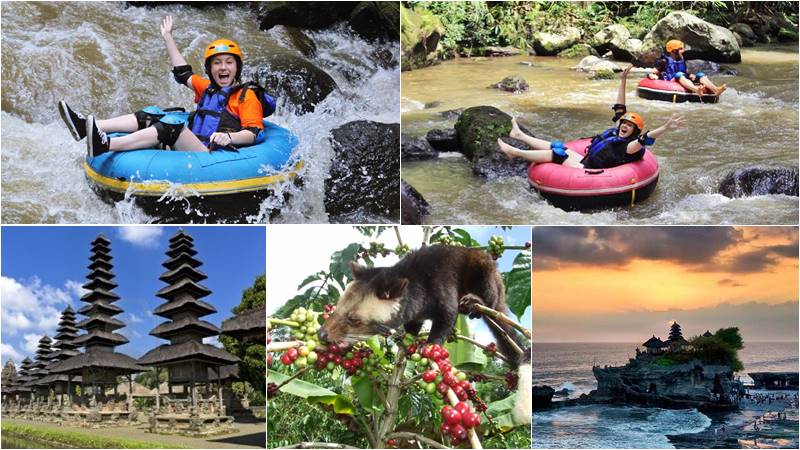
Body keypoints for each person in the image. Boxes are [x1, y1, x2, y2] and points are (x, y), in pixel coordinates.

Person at [59, 16, 268, 157]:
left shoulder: (246, 96)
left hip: (213, 155)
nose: (223, 67)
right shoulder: (207, 88)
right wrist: (168, 36)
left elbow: (253, 133)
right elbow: (183, 72)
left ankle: (105, 145)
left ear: (237, 67)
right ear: (210, 68)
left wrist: (229, 137)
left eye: (229, 62)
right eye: (217, 62)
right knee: (149, 115)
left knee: (171, 126)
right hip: (196, 144)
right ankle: (85, 126)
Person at [497, 65, 685, 170]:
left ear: (634, 131)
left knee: (557, 155)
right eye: (624, 123)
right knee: (559, 146)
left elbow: (647, 138)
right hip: (586, 160)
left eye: (629, 126)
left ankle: (516, 153)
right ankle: (519, 136)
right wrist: (623, 81)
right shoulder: (620, 132)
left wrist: (665, 128)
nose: (624, 125)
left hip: (590, 170)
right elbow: (620, 107)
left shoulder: (630, 145)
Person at [657, 39, 727, 97]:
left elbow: (685, 72)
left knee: (700, 74)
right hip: (672, 80)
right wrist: (652, 75)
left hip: (682, 78)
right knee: (679, 74)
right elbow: (655, 71)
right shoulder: (664, 61)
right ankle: (696, 90)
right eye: (680, 49)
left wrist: (690, 75)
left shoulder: (681, 59)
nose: (683, 50)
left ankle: (715, 90)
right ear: (673, 51)